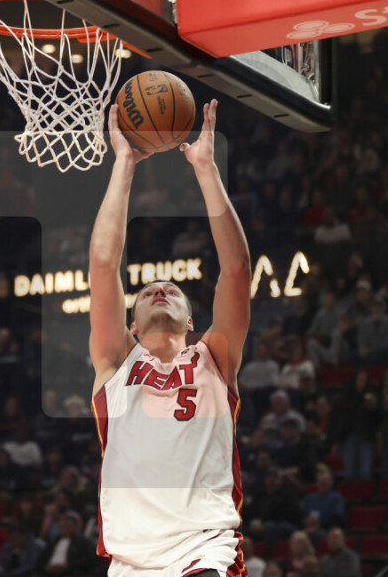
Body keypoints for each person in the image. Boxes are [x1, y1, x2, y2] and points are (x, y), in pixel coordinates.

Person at [88, 100, 250, 575]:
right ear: (132, 326)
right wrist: (123, 163)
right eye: (146, 293)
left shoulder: (214, 358)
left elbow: (237, 270)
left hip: (203, 548)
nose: (160, 290)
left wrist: (206, 170)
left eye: (172, 290)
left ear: (191, 320)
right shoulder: (115, 363)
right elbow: (103, 265)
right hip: (130, 562)